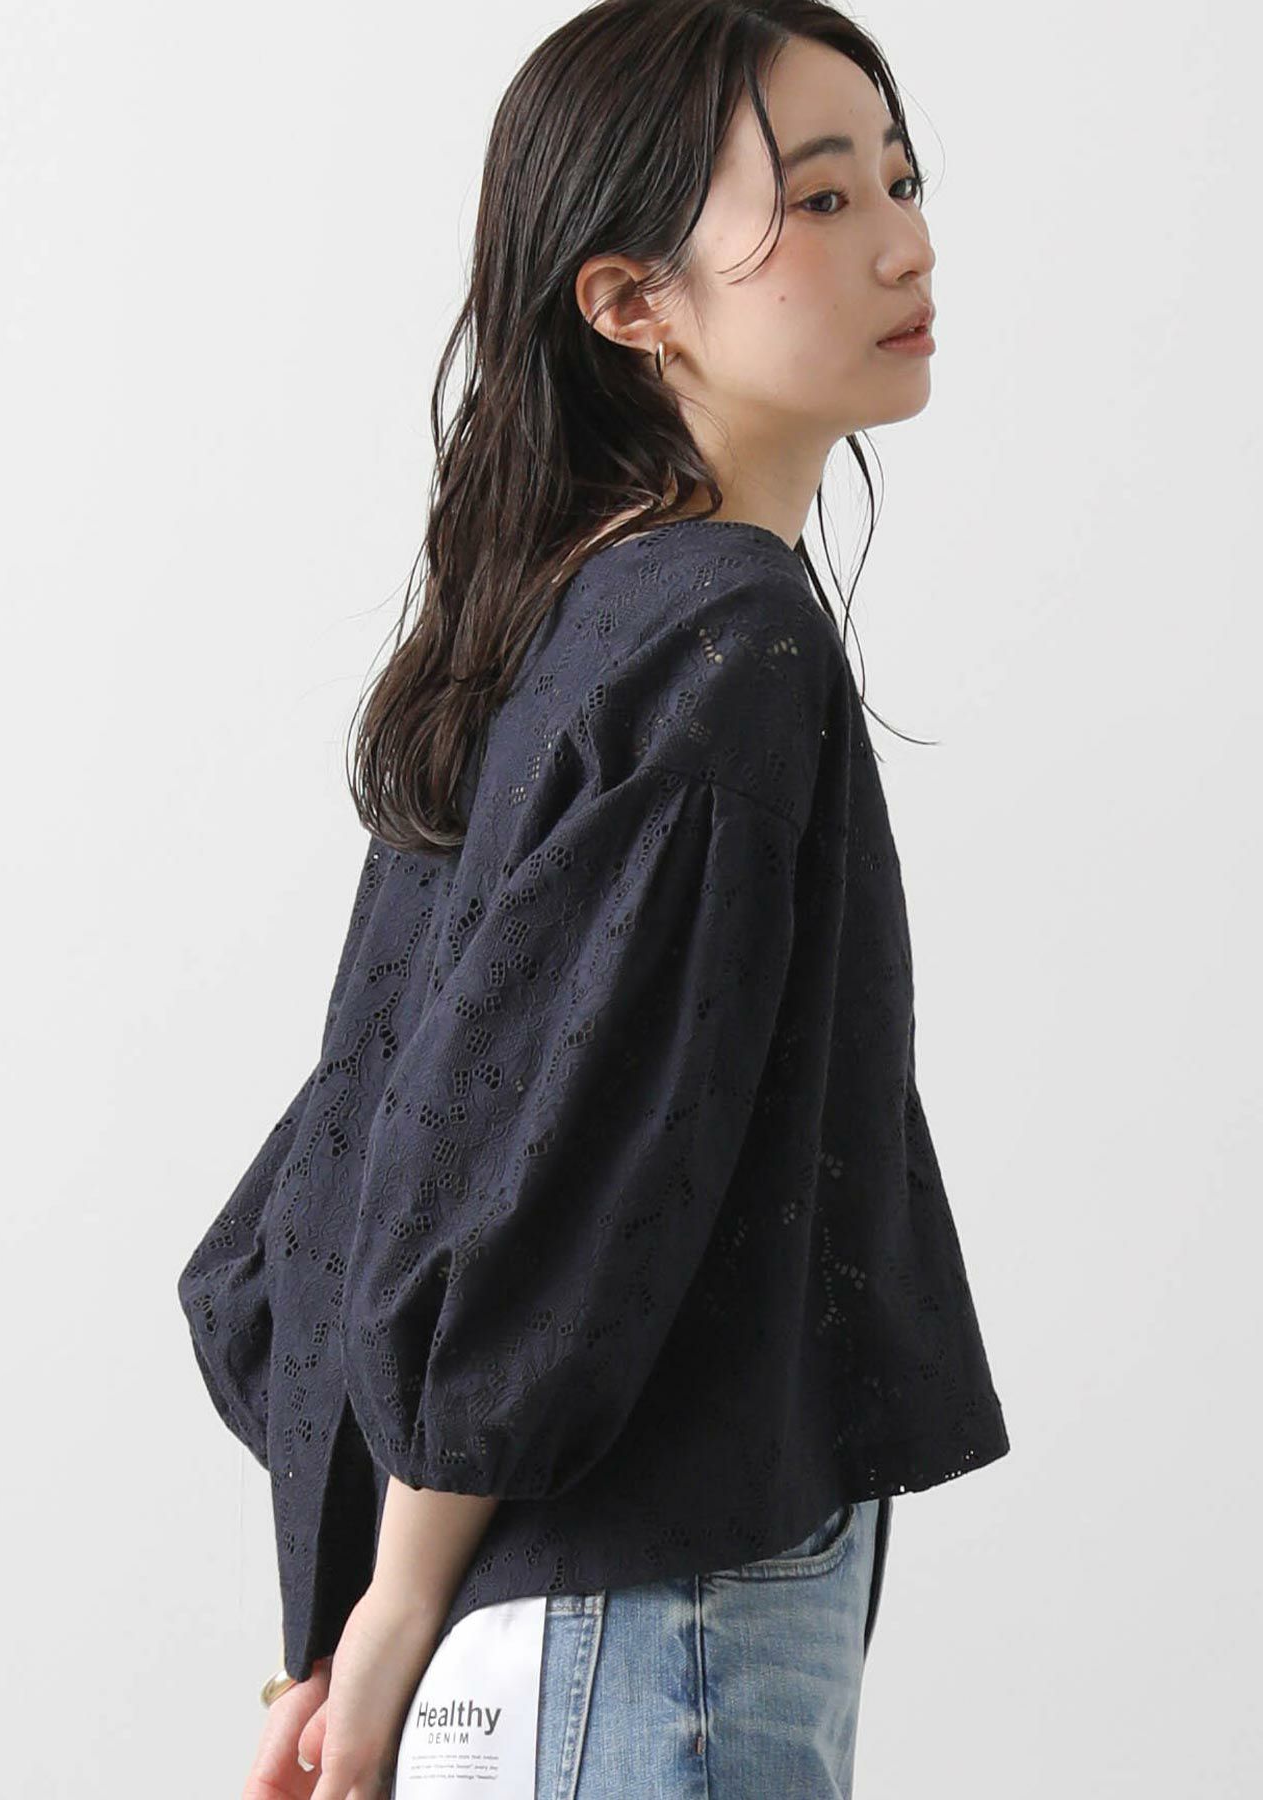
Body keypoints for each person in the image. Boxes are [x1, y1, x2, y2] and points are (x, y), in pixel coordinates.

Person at [177, 3, 1011, 1795]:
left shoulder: (560, 619)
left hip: (552, 1620)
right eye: (820, 199)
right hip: (643, 1623)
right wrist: (395, 1615)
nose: (904, 242)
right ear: (632, 302)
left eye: (902, 180)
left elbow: (393, 1145)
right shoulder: (722, 638)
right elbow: (547, 1179)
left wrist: (376, 1607)